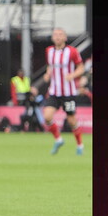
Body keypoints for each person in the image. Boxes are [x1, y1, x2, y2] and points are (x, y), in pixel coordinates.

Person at [42, 27, 86, 155]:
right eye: (55, 34)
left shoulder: (72, 51)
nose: (58, 37)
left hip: (68, 93)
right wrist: (47, 74)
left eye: (60, 35)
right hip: (54, 92)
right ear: (52, 37)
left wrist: (72, 75)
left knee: (71, 120)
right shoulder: (49, 51)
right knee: (47, 116)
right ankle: (58, 139)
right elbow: (50, 66)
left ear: (65, 38)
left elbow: (81, 68)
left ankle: (80, 145)